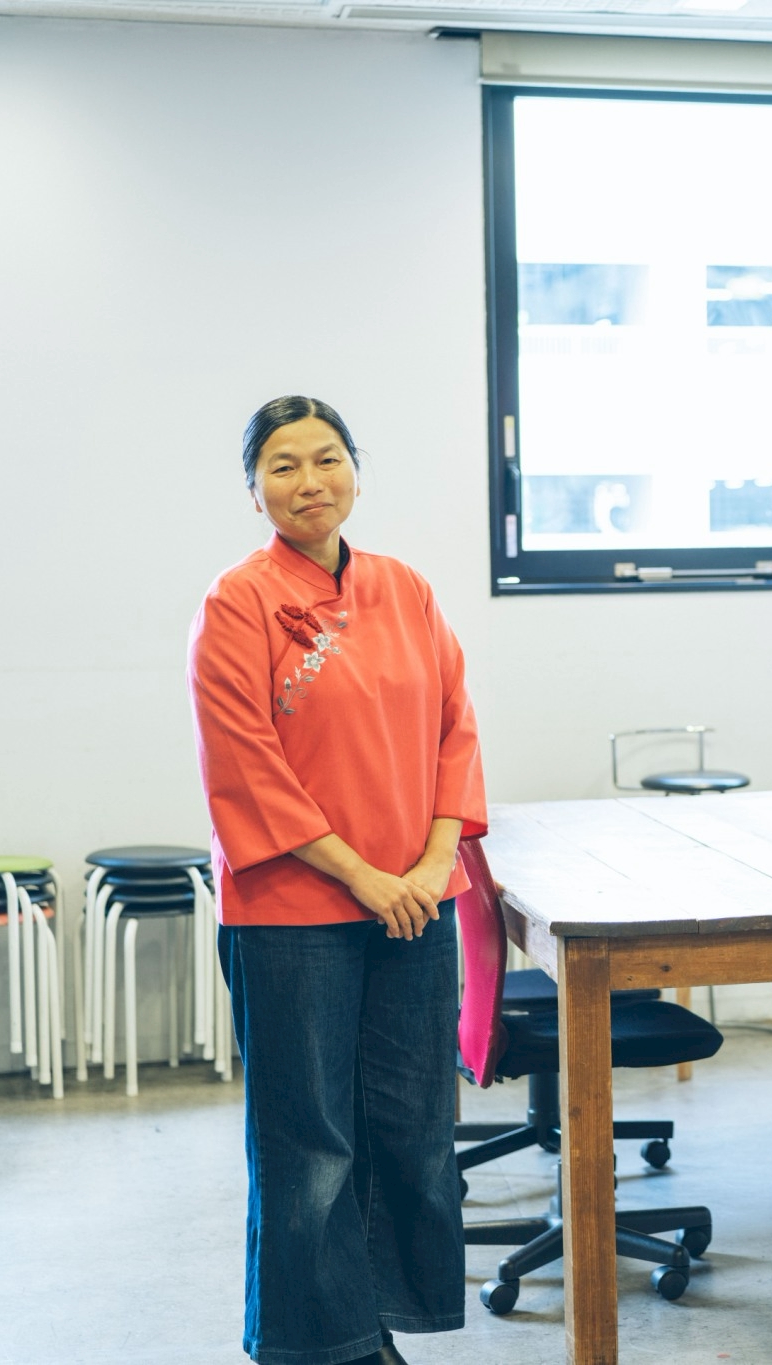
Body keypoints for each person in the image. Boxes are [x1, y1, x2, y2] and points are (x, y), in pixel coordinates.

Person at [189, 396, 487, 1365]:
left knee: (409, 1127)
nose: (309, 482)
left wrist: (433, 864)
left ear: (356, 470)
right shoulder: (237, 603)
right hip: (294, 913)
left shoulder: (406, 589)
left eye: (327, 459)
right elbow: (246, 767)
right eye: (283, 466)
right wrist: (366, 876)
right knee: (310, 1142)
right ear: (254, 490)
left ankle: (369, 1326)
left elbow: (456, 729)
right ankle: (322, 1347)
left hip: (415, 904)